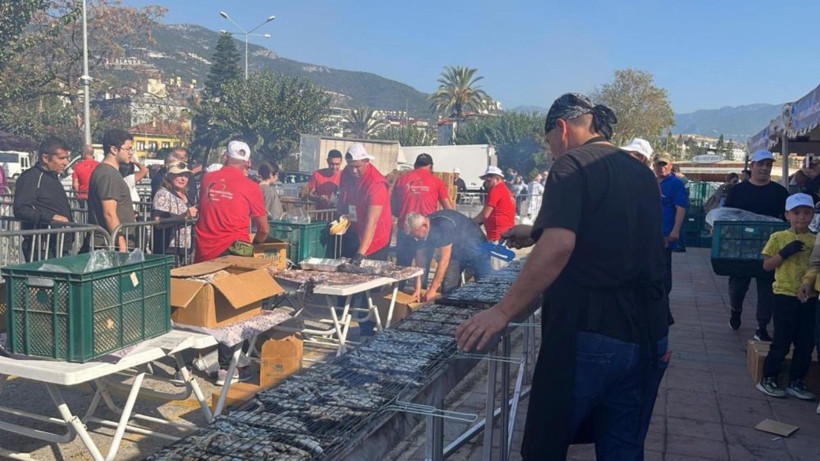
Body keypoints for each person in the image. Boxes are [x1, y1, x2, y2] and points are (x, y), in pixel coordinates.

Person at [456, 93, 669, 460]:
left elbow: (560, 247)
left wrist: (502, 312)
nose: (551, 149)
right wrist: (536, 231)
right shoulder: (641, 172)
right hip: (649, 334)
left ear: (562, 128)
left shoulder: (572, 164)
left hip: (592, 333)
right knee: (623, 449)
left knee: (544, 448)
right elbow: (613, 234)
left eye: (549, 140)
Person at [195, 140, 269, 385]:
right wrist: (255, 245)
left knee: (208, 307)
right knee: (233, 311)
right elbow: (264, 228)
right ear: (248, 162)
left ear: (225, 156)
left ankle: (210, 356)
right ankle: (226, 368)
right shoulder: (251, 186)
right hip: (234, 253)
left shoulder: (208, 179)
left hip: (204, 253)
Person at [724, 150, 790, 340]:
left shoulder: (780, 192)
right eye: (760, 164)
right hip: (740, 248)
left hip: (769, 248)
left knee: (767, 291)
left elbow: (786, 218)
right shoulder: (737, 191)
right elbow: (727, 217)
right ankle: (736, 311)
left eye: (768, 165)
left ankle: (762, 327)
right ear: (751, 166)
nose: (764, 168)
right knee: (737, 288)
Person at [758, 193, 817, 401]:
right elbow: (766, 266)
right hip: (784, 293)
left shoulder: (815, 240)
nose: (802, 217)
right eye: (796, 213)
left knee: (805, 341)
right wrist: (784, 253)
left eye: (806, 213)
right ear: (787, 215)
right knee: (782, 339)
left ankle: (796, 380)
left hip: (809, 296)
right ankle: (768, 376)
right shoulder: (778, 238)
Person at [405, 210, 489, 301]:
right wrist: (418, 288)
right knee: (448, 286)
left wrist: (432, 290)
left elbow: (444, 260)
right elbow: (420, 262)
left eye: (416, 235)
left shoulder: (442, 226)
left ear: (424, 226)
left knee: (483, 284)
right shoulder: (420, 232)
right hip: (456, 252)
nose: (416, 239)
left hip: (476, 245)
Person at [12, 137, 73, 261]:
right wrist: (50, 218)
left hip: (59, 245)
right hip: (41, 247)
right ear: (45, 158)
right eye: (61, 158)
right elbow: (21, 209)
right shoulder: (30, 177)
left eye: (67, 158)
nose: (66, 162)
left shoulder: (54, 176)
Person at [391, 153, 453, 270]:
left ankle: (399, 287)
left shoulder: (402, 180)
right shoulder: (437, 182)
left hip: (406, 229)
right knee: (422, 268)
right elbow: (448, 209)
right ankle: (421, 287)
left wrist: (404, 215)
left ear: (415, 165)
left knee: (402, 268)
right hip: (425, 231)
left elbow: (393, 207)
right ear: (431, 166)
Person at [336, 143, 393, 263]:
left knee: (369, 276)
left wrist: (360, 254)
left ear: (367, 161)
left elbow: (372, 222)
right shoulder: (346, 173)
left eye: (357, 166)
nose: (353, 170)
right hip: (355, 230)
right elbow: (343, 196)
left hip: (376, 238)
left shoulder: (376, 184)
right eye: (350, 166)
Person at [88, 129, 136, 252]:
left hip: (112, 241)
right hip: (110, 244)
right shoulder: (108, 174)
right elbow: (109, 213)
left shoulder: (110, 172)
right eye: (128, 149)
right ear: (114, 149)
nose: (131, 153)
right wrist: (121, 244)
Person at [654, 154, 689, 298]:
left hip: (666, 234)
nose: (662, 167)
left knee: (664, 269)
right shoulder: (652, 181)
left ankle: (664, 300)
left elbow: (681, 207)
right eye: (659, 165)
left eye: (664, 164)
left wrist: (675, 231)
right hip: (651, 234)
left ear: (671, 165)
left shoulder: (675, 183)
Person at [151, 161, 198, 266]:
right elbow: (158, 222)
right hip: (168, 249)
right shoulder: (162, 194)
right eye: (179, 175)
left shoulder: (186, 194)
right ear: (170, 176)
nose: (183, 179)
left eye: (186, 176)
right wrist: (185, 215)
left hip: (185, 250)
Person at [473, 165, 516, 247]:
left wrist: (470, 222)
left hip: (497, 237)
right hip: (506, 236)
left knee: (495, 259)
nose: (486, 184)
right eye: (485, 181)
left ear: (497, 179)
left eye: (488, 180)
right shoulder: (506, 191)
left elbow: (484, 215)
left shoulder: (496, 190)